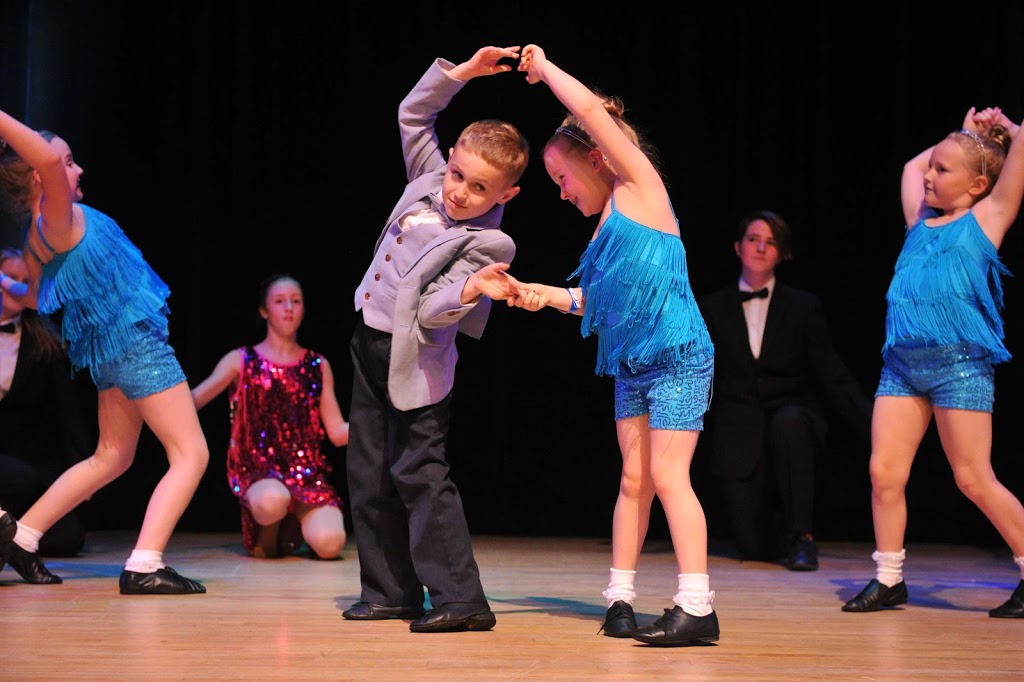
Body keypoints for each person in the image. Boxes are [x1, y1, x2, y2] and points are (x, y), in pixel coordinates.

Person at [503, 44, 719, 647]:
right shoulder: (603, 230)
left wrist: (544, 71)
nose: (562, 191)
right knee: (634, 480)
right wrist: (543, 295)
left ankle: (697, 605)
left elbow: (593, 114)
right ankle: (619, 600)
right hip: (634, 366)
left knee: (670, 477)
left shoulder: (639, 189)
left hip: (678, 357)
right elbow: (598, 303)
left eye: (562, 177)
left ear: (597, 158)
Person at [341, 46, 528, 633]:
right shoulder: (427, 180)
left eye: (478, 187)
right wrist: (463, 74)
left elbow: (432, 312)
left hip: (416, 364)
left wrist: (472, 288)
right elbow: (413, 115)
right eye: (457, 174)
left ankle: (462, 599)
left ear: (504, 195)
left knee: (419, 474)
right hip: (368, 342)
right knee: (368, 475)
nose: (458, 192)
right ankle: (390, 592)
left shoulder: (488, 245)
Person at [0, 112, 209, 594]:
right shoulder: (57, 214)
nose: (75, 170)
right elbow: (47, 156)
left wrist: (5, 281)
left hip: (110, 351)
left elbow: (35, 296)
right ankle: (144, 563)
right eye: (67, 162)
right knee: (191, 453)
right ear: (40, 175)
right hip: (134, 346)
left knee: (111, 456)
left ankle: (23, 536)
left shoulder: (40, 234)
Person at [842, 107, 1024, 618]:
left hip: (959, 365)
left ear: (978, 184)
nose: (928, 174)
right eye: (933, 166)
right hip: (902, 365)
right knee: (884, 473)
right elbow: (907, 167)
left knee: (973, 479)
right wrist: (965, 134)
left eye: (943, 170)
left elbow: (1018, 160)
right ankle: (889, 577)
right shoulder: (918, 223)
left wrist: (1006, 134)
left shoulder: (987, 219)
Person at [697, 210, 873, 571]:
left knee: (789, 424)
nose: (761, 247)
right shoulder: (712, 307)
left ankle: (802, 536)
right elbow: (698, 372)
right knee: (754, 549)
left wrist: (874, 421)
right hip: (739, 426)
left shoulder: (803, 307)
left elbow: (831, 370)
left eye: (771, 242)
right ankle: (774, 531)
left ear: (782, 253)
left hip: (792, 416)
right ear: (737, 247)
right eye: (753, 239)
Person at [191, 273, 349, 560]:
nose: (288, 307)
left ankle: (293, 526)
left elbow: (337, 431)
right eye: (279, 301)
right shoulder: (241, 360)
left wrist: (380, 418)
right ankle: (270, 527)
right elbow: (195, 400)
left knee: (331, 544)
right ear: (264, 311)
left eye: (296, 301)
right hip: (261, 474)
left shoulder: (318, 365)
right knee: (273, 500)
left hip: (307, 476)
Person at [0, 247, 94, 558]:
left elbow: (69, 415)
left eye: (26, 281)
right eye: (10, 278)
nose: (17, 286)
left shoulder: (46, 345)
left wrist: (86, 469)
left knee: (66, 538)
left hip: (28, 463)